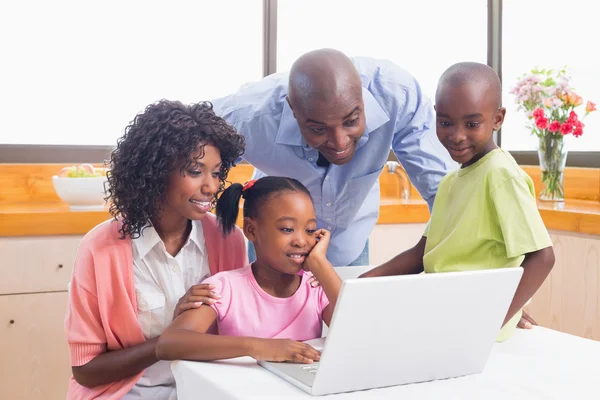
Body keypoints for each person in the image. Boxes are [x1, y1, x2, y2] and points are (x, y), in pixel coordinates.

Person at [64, 100, 247, 399]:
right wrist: (173, 337)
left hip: (206, 389)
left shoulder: (229, 240)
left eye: (216, 173)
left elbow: (237, 333)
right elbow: (86, 370)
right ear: (155, 170)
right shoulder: (100, 249)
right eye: (194, 170)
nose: (211, 187)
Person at [360, 62, 555, 340]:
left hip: (471, 321)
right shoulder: (451, 181)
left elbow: (542, 256)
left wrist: (500, 315)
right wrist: (363, 283)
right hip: (443, 307)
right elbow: (421, 255)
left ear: (498, 119)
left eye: (472, 124)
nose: (457, 135)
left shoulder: (500, 174)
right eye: (446, 123)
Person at [211, 48, 456, 267]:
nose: (340, 143)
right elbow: (182, 137)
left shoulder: (396, 95)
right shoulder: (247, 116)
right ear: (293, 109)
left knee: (346, 317)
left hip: (349, 245)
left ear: (362, 97)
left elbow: (444, 192)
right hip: (272, 250)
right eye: (318, 129)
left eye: (351, 121)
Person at [155, 176, 341, 364]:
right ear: (251, 230)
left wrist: (320, 264)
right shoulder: (223, 288)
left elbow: (362, 333)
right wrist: (257, 347)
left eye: (310, 230)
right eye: (287, 229)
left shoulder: (316, 286)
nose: (302, 241)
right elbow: (169, 343)